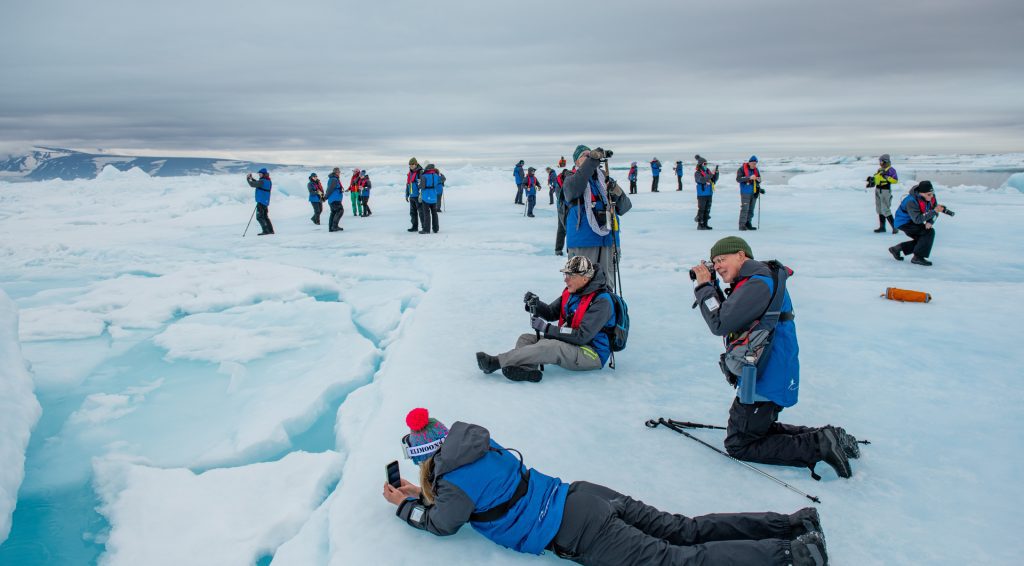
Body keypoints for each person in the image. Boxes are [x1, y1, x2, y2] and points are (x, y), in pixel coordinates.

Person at [383, 408, 830, 566]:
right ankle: (791, 525)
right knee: (684, 529)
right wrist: (425, 491)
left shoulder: (452, 486)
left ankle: (791, 555)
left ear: (426, 460)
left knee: (677, 561)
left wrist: (406, 506)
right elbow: (475, 490)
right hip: (583, 495)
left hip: (575, 532)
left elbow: (444, 523)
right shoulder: (476, 444)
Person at [690, 236, 859, 481]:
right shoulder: (756, 278)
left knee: (740, 443)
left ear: (741, 255)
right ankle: (830, 436)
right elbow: (732, 316)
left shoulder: (757, 283)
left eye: (721, 259)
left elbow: (721, 323)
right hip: (771, 364)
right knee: (760, 429)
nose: (717, 266)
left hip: (765, 370)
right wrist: (712, 287)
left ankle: (819, 444)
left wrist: (704, 288)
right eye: (714, 262)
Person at [475, 256, 615, 382]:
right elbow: (550, 313)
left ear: (585, 278)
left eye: (570, 275)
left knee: (551, 346)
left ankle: (496, 362)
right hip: (572, 344)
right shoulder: (573, 292)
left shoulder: (602, 302)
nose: (565, 279)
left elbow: (582, 336)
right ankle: (527, 370)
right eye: (565, 274)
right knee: (526, 339)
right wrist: (535, 305)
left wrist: (546, 328)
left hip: (591, 353)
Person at [562, 146, 632, 292]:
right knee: (582, 286)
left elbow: (624, 208)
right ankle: (583, 314)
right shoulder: (569, 179)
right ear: (576, 161)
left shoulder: (604, 180)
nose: (589, 158)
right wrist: (592, 161)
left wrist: (614, 189)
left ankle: (607, 313)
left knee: (607, 285)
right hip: (583, 242)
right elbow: (573, 190)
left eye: (591, 155)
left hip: (608, 241)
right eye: (585, 156)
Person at [889, 180, 946, 266]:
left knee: (924, 239)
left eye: (932, 193)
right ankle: (917, 257)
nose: (931, 196)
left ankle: (897, 249)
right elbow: (918, 219)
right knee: (928, 234)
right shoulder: (911, 201)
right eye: (928, 194)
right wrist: (934, 211)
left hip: (913, 220)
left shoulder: (931, 197)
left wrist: (930, 222)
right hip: (904, 222)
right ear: (921, 193)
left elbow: (935, 211)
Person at [870, 154, 899, 233]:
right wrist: (872, 181)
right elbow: (877, 179)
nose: (880, 163)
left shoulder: (891, 170)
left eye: (881, 161)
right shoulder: (880, 170)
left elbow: (895, 180)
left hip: (885, 191)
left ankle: (894, 227)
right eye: (880, 161)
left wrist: (886, 177)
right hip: (878, 190)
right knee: (879, 209)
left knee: (885, 209)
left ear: (885, 161)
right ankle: (882, 227)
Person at [246, 168, 274, 235]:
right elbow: (258, 183)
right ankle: (270, 230)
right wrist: (252, 178)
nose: (259, 175)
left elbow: (252, 184)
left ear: (263, 174)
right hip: (265, 201)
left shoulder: (262, 181)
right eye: (259, 174)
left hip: (261, 201)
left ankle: (265, 231)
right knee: (265, 217)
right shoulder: (267, 181)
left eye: (260, 174)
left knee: (259, 217)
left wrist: (248, 179)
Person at [736, 156, 762, 230]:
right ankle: (742, 225)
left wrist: (759, 182)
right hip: (745, 192)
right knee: (745, 209)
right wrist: (749, 178)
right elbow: (738, 179)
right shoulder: (741, 169)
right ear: (749, 162)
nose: (754, 165)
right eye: (753, 163)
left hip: (754, 192)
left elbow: (759, 179)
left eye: (755, 163)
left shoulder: (756, 170)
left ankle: (748, 223)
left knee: (751, 209)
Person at [418, 163, 445, 233]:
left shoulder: (424, 176)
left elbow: (422, 186)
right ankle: (436, 229)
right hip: (434, 196)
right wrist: (441, 175)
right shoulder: (436, 175)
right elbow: (443, 179)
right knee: (434, 213)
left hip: (426, 197)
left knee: (426, 213)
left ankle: (426, 229)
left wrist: (419, 185)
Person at [694, 155, 718, 230]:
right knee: (702, 209)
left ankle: (705, 224)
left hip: (709, 193)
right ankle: (700, 225)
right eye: (704, 164)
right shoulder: (697, 173)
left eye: (706, 164)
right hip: (702, 194)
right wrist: (711, 174)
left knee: (707, 209)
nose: (706, 165)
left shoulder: (708, 171)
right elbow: (701, 180)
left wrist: (716, 173)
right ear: (700, 164)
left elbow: (713, 180)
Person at [554, 168, 569, 256]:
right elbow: (559, 197)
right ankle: (559, 249)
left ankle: (566, 249)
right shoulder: (559, 183)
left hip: (567, 208)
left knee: (567, 229)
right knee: (563, 228)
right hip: (562, 208)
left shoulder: (563, 181)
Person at [325, 167, 345, 232]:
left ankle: (331, 228)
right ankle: (334, 226)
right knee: (340, 211)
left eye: (339, 172)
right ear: (335, 172)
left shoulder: (334, 179)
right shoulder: (334, 179)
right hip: (334, 199)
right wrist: (325, 197)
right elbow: (330, 189)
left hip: (333, 199)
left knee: (333, 212)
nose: (339, 173)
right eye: (338, 172)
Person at [406, 158, 423, 232]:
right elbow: (408, 185)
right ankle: (414, 226)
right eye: (410, 165)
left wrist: (421, 195)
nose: (411, 166)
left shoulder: (420, 172)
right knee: (412, 213)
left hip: (418, 196)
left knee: (421, 212)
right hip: (412, 196)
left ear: (416, 164)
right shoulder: (410, 173)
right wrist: (407, 195)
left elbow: (422, 184)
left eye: (412, 164)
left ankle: (424, 227)